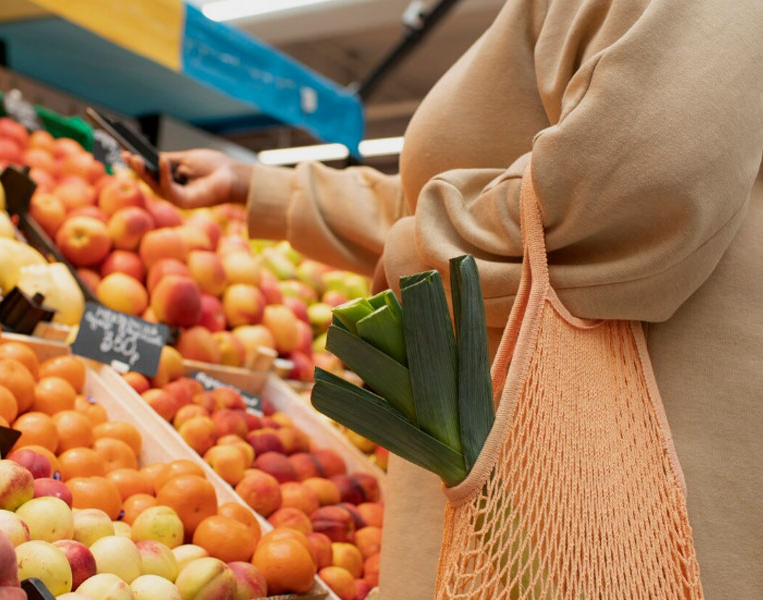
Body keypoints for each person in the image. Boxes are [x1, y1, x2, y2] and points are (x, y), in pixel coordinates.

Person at [128, 0, 763, 597]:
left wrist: (418, 260)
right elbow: (455, 203)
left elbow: (643, 183)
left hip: (603, 494)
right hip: (516, 490)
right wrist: (261, 186)